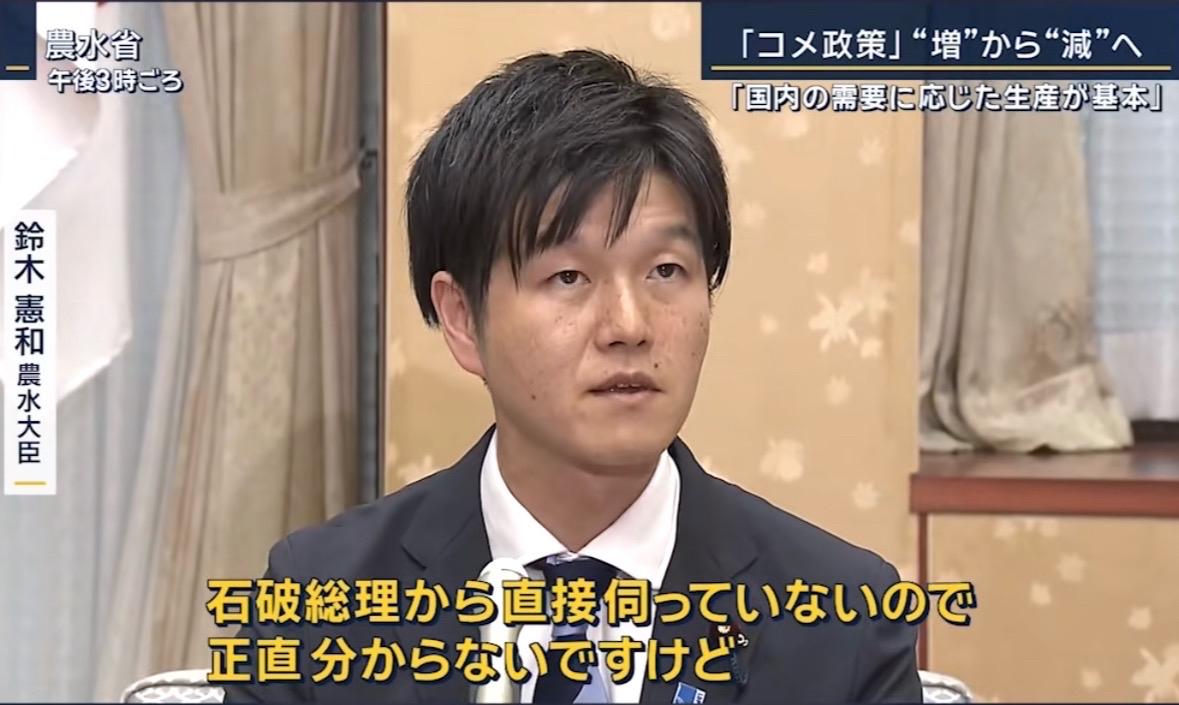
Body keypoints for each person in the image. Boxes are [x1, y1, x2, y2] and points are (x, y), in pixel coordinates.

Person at [220, 48, 921, 704]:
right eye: (568, 277)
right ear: (461, 318)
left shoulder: (847, 625)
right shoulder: (316, 607)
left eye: (665, 270)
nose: (628, 324)